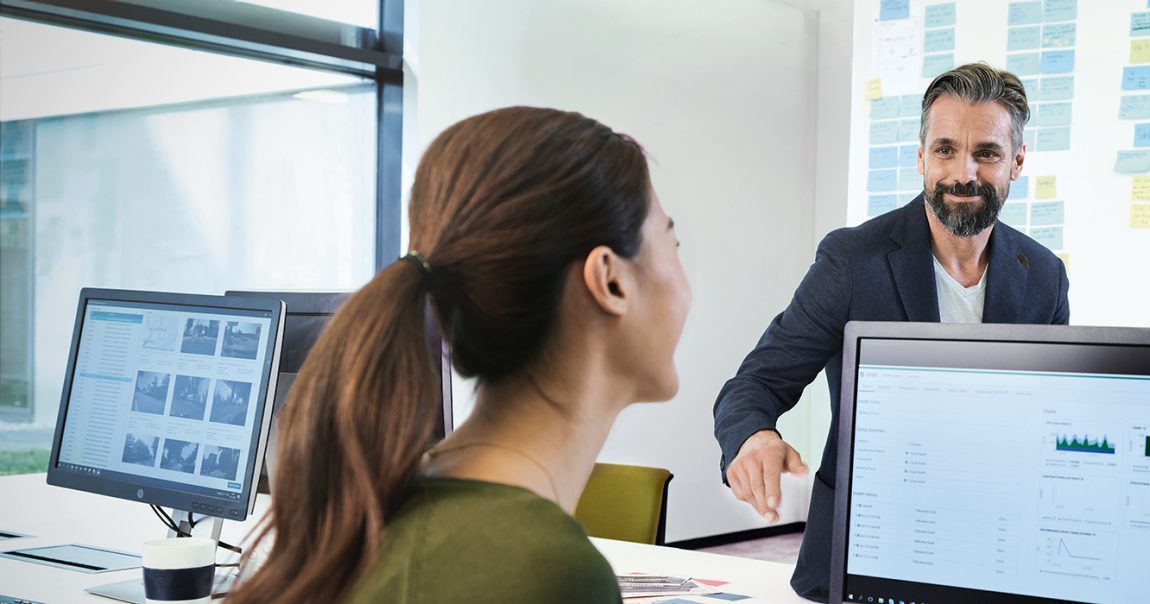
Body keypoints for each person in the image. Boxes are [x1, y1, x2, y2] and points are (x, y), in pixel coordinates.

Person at [227, 107, 690, 603]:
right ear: (611, 281)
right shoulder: (540, 569)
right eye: (672, 242)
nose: (684, 279)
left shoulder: (383, 508)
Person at [712, 62, 1070, 601]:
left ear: (1017, 161)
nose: (962, 173)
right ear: (921, 156)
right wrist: (753, 435)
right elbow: (756, 382)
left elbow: (1054, 418)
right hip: (863, 555)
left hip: (994, 553)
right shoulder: (853, 260)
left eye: (987, 153)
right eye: (945, 149)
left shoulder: (1043, 274)